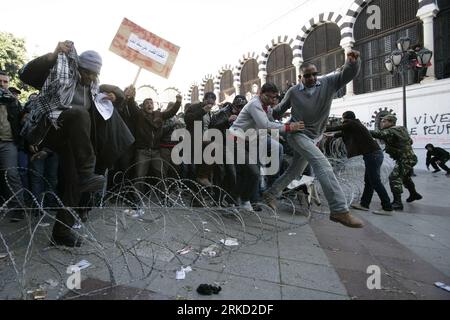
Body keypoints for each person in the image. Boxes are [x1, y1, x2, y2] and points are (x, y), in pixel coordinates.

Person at [19, 41, 134, 246]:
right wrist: (52, 55)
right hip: (51, 126)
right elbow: (26, 74)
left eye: (93, 74)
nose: (88, 77)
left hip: (72, 142)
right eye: (85, 72)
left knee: (74, 186)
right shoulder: (59, 76)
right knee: (79, 114)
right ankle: (88, 173)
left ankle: (61, 233)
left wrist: (116, 96)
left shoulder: (93, 90)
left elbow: (115, 94)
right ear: (78, 67)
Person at [262, 50, 364, 229]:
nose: (311, 78)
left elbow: (346, 75)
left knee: (294, 172)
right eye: (307, 76)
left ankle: (270, 194)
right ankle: (339, 209)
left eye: (314, 74)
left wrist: (352, 63)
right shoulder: (293, 92)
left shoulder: (328, 83)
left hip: (314, 136)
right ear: (300, 76)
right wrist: (262, 112)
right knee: (322, 164)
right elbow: (277, 111)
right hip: (297, 134)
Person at [229, 83, 304, 211]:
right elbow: (265, 125)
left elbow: (271, 121)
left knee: (255, 170)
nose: (270, 100)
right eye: (268, 97)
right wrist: (288, 127)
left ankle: (251, 198)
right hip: (237, 140)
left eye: (273, 97)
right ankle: (240, 200)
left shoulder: (266, 107)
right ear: (260, 94)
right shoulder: (255, 104)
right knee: (252, 171)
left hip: (252, 140)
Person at [326, 111, 393, 215]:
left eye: (343, 120)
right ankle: (364, 204)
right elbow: (340, 133)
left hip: (373, 155)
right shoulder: (355, 126)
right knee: (369, 181)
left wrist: (319, 128)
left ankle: (387, 208)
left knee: (375, 181)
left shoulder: (352, 124)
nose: (343, 122)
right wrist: (330, 135)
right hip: (373, 155)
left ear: (345, 118)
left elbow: (337, 128)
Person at [370, 115, 423, 210]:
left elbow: (379, 134)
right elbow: (410, 141)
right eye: (382, 121)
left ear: (391, 122)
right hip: (409, 158)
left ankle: (398, 202)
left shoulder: (391, 130)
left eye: (384, 121)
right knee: (405, 177)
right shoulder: (401, 130)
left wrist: (361, 130)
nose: (382, 123)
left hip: (405, 159)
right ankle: (414, 194)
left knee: (394, 177)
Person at [0, 70, 26, 222]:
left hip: (8, 143)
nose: (2, 84)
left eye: (5, 82)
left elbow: (23, 119)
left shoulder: (13, 102)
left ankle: (19, 209)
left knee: (11, 175)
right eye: (0, 82)